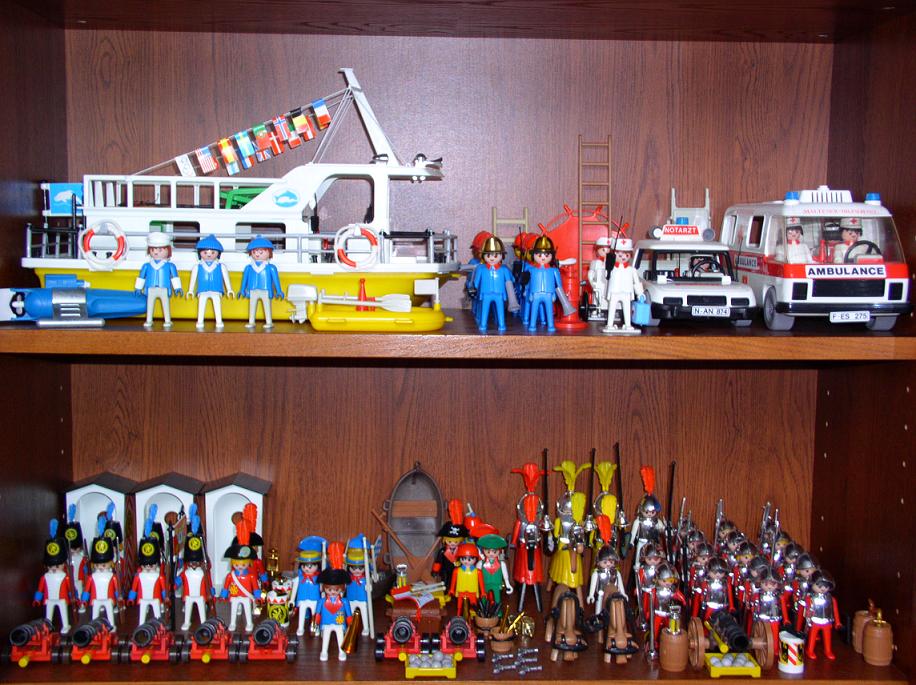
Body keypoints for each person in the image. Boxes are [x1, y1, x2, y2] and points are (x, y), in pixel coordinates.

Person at [187, 234, 234, 329]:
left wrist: (229, 289)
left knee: (217, 306)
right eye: (205, 252)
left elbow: (226, 278)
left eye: (212, 252)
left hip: (216, 290)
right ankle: (200, 321)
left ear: (218, 254)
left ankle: (219, 321)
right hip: (202, 290)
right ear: (200, 253)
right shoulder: (197, 267)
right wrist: (190, 290)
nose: (209, 254)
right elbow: (193, 279)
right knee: (201, 306)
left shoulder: (221, 266)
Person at [135, 233, 182, 327]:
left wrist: (177, 287)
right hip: (150, 288)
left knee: (165, 305)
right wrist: (138, 288)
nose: (156, 252)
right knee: (150, 305)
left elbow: (175, 277)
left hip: (164, 288)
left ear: (168, 250)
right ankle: (149, 320)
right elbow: (141, 277)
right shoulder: (146, 266)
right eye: (153, 250)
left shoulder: (170, 266)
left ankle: (167, 320)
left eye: (160, 250)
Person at [470, 235, 515, 332]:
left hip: (499, 294)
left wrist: (511, 298)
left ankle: (502, 325)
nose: (492, 258)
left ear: (502, 255)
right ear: (483, 255)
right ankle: (483, 325)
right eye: (488, 255)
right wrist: (473, 289)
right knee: (484, 311)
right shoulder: (481, 269)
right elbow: (476, 282)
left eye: (495, 255)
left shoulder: (504, 269)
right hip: (486, 294)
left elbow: (509, 282)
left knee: (500, 311)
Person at [239, 235, 283, 329]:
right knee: (252, 306)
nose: (257, 254)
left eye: (261, 252)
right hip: (253, 290)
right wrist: (242, 290)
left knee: (267, 307)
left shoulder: (270, 267)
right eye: (254, 252)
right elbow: (245, 280)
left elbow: (276, 280)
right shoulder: (249, 267)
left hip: (265, 290)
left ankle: (269, 322)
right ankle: (251, 322)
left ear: (269, 252)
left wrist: (279, 291)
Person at [603, 238, 644, 333]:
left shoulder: (631, 269)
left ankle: (628, 325)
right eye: (620, 255)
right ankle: (609, 324)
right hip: (614, 291)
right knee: (612, 308)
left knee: (627, 309)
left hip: (626, 292)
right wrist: (608, 265)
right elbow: (606, 276)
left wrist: (640, 293)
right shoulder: (612, 268)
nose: (624, 257)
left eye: (627, 255)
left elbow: (636, 282)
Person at [587, 236, 613, 316]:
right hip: (598, 284)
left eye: (609, 249)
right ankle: (595, 310)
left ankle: (612, 311)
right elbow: (590, 273)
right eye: (603, 249)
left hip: (609, 284)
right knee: (597, 297)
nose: (606, 252)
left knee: (610, 298)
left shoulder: (613, 263)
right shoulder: (596, 263)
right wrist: (592, 283)